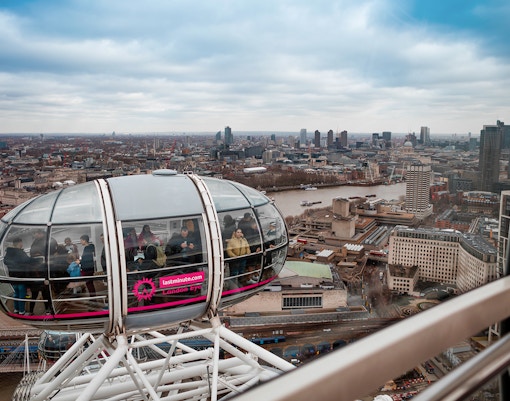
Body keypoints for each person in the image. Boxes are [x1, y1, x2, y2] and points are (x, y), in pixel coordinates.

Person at [4, 237, 39, 315]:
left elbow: (6, 261)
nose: (22, 244)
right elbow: (28, 260)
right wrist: (39, 260)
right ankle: (21, 311)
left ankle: (16, 309)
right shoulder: (20, 252)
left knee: (16, 293)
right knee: (22, 294)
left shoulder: (9, 252)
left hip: (12, 276)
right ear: (19, 243)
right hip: (20, 276)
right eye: (21, 243)